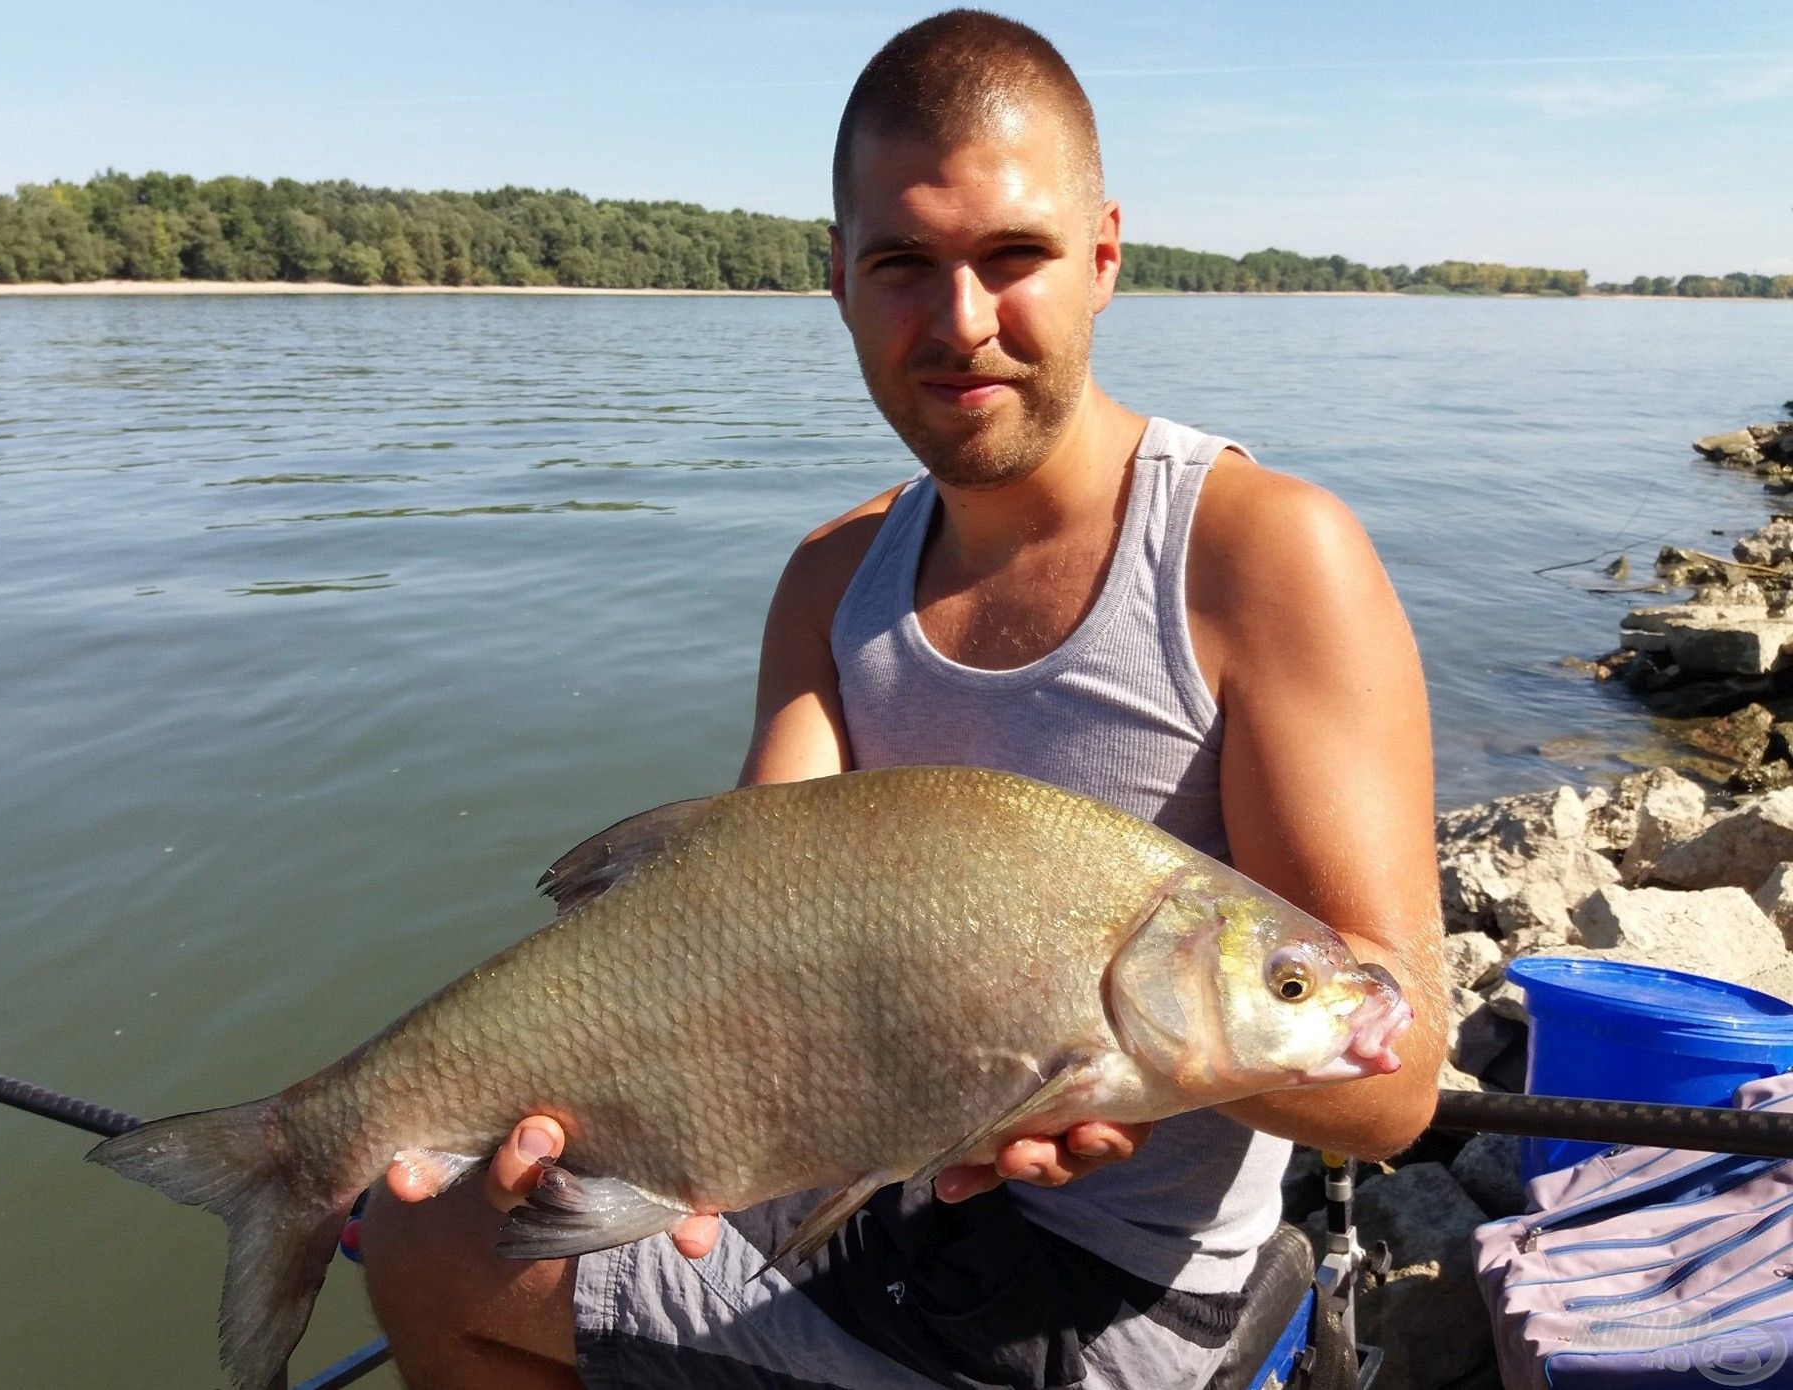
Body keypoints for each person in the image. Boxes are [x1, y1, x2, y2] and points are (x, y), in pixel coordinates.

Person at [360, 10, 1446, 1389]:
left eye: (1015, 257)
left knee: (430, 1265)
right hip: (872, 1178)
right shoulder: (831, 580)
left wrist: (1075, 1059)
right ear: (836, 277)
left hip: (1109, 1290)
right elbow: (735, 922)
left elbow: (1399, 1086)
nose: (963, 324)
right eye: (903, 265)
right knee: (425, 1206)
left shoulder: (1261, 555)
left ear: (1106, 251)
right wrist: (583, 1115)